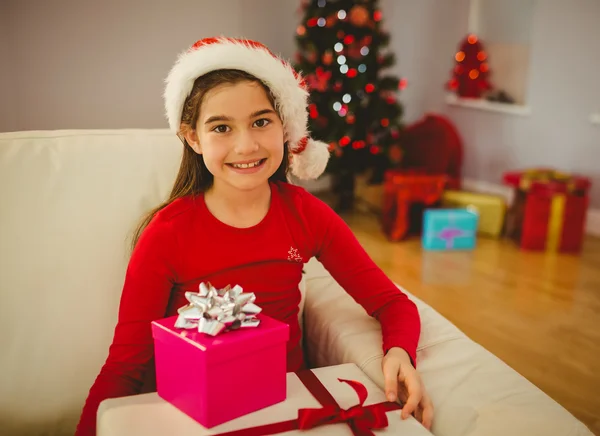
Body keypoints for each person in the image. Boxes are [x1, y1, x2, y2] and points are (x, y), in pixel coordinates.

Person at [75, 37, 433, 435]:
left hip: (287, 412)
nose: (246, 145)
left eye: (261, 121)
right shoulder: (166, 234)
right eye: (221, 127)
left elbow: (391, 302)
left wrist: (400, 353)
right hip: (193, 419)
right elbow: (125, 365)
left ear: (284, 127)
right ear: (193, 138)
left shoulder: (307, 215)